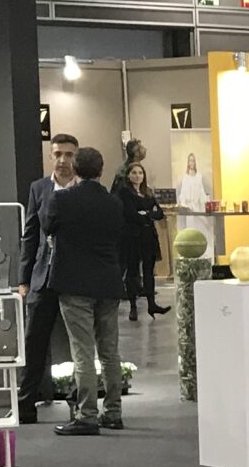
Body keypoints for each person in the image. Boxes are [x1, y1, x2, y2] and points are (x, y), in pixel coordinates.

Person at [44, 145, 128, 436]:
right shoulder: (114, 203)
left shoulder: (62, 199)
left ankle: (86, 415)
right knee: (110, 351)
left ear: (75, 169)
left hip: (74, 283)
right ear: (101, 170)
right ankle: (113, 412)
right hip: (108, 282)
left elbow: (47, 226)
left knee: (83, 351)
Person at [17, 132, 78, 423]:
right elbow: (30, 235)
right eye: (58, 154)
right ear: (51, 156)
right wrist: (24, 279)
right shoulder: (38, 188)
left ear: (76, 157)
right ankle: (26, 404)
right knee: (34, 343)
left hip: (76, 279)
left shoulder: (86, 189)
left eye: (69, 154)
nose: (63, 160)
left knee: (79, 345)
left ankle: (79, 406)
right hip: (42, 278)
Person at [113, 158, 169, 319]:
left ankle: (152, 304)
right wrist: (148, 213)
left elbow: (159, 213)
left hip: (148, 236)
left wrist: (146, 214)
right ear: (128, 175)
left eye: (140, 173)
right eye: (134, 173)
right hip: (131, 237)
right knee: (132, 271)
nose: (138, 176)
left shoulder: (148, 192)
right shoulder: (124, 193)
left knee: (149, 271)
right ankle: (133, 306)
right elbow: (131, 214)